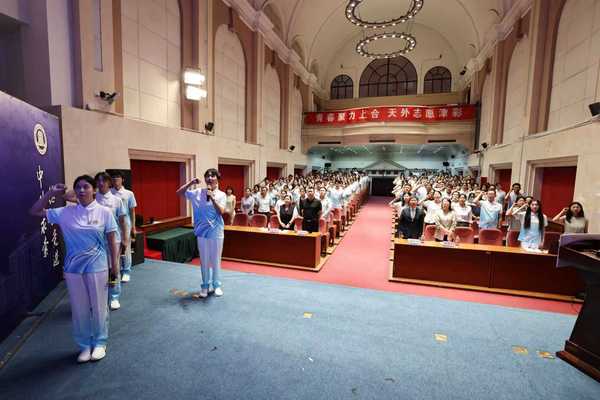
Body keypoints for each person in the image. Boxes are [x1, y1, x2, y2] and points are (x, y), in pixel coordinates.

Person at [30, 176, 119, 363]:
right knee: (79, 310)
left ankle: (100, 343)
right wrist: (52, 193)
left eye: (86, 186)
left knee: (99, 307)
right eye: (78, 187)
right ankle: (84, 345)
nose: (81, 190)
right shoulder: (65, 212)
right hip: (73, 268)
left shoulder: (105, 212)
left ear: (94, 190)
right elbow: (35, 211)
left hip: (98, 267)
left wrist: (115, 267)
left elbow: (112, 241)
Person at [176, 169, 227, 298]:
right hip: (201, 232)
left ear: (217, 179)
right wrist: (190, 183)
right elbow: (179, 192)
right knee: (204, 261)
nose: (210, 178)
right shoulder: (197, 192)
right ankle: (205, 286)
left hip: (216, 232)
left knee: (215, 260)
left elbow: (221, 211)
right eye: (207, 176)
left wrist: (212, 198)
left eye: (213, 176)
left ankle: (216, 285)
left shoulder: (221, 195)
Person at [94, 172, 127, 311]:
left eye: (104, 181)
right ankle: (100, 297)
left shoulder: (116, 200)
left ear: (109, 183)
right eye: (98, 181)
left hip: (114, 240)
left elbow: (122, 221)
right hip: (96, 240)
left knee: (114, 267)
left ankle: (114, 296)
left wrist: (125, 238)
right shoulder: (92, 198)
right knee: (98, 269)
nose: (101, 183)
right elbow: (68, 196)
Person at [110, 171, 137, 283]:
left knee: (125, 249)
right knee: (114, 249)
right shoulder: (109, 193)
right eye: (113, 177)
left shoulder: (129, 193)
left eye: (118, 177)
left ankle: (126, 271)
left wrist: (133, 227)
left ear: (122, 180)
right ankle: (117, 271)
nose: (115, 179)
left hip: (125, 224)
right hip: (112, 225)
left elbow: (132, 211)